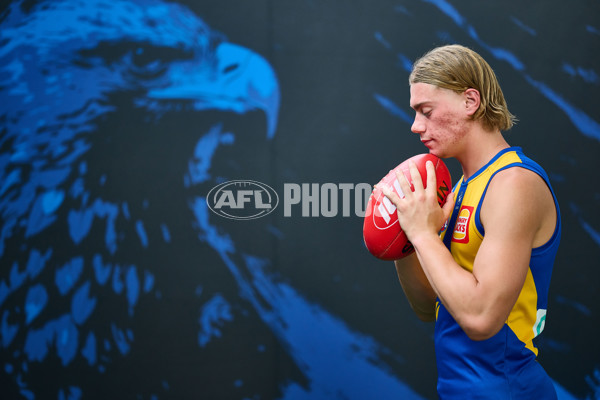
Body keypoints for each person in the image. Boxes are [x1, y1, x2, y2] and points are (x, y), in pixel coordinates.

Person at [380, 44, 561, 399]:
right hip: (458, 390)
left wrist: (423, 234)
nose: (416, 126)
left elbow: (480, 319)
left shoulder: (514, 184)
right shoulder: (462, 186)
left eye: (426, 111)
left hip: (507, 390)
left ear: (470, 101)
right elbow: (427, 306)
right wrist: (403, 236)